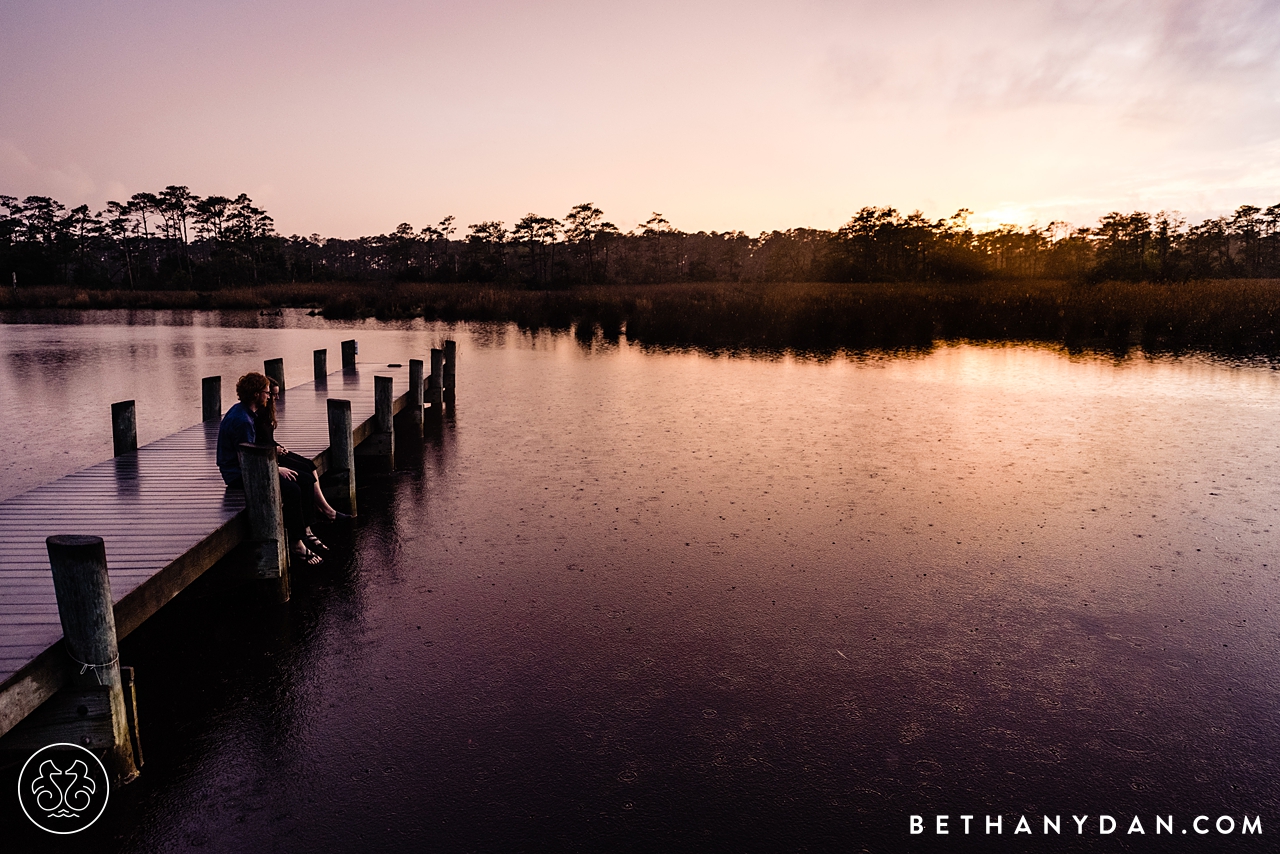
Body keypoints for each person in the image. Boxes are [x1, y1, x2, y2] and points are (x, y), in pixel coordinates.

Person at [216, 372, 326, 566]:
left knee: (305, 478)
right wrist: (277, 470)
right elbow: (246, 463)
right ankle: (296, 544)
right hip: (237, 476)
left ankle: (305, 532)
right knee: (292, 490)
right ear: (256, 394)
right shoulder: (242, 421)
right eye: (267, 393)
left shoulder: (246, 413)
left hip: (247, 469)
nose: (269, 396)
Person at [257, 379, 348, 523]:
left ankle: (323, 507)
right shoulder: (258, 413)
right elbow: (259, 442)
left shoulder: (267, 411)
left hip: (274, 450)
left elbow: (267, 438)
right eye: (272, 394)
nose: (276, 398)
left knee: (309, 465)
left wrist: (279, 447)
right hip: (268, 456)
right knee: (303, 476)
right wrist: (275, 450)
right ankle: (325, 511)